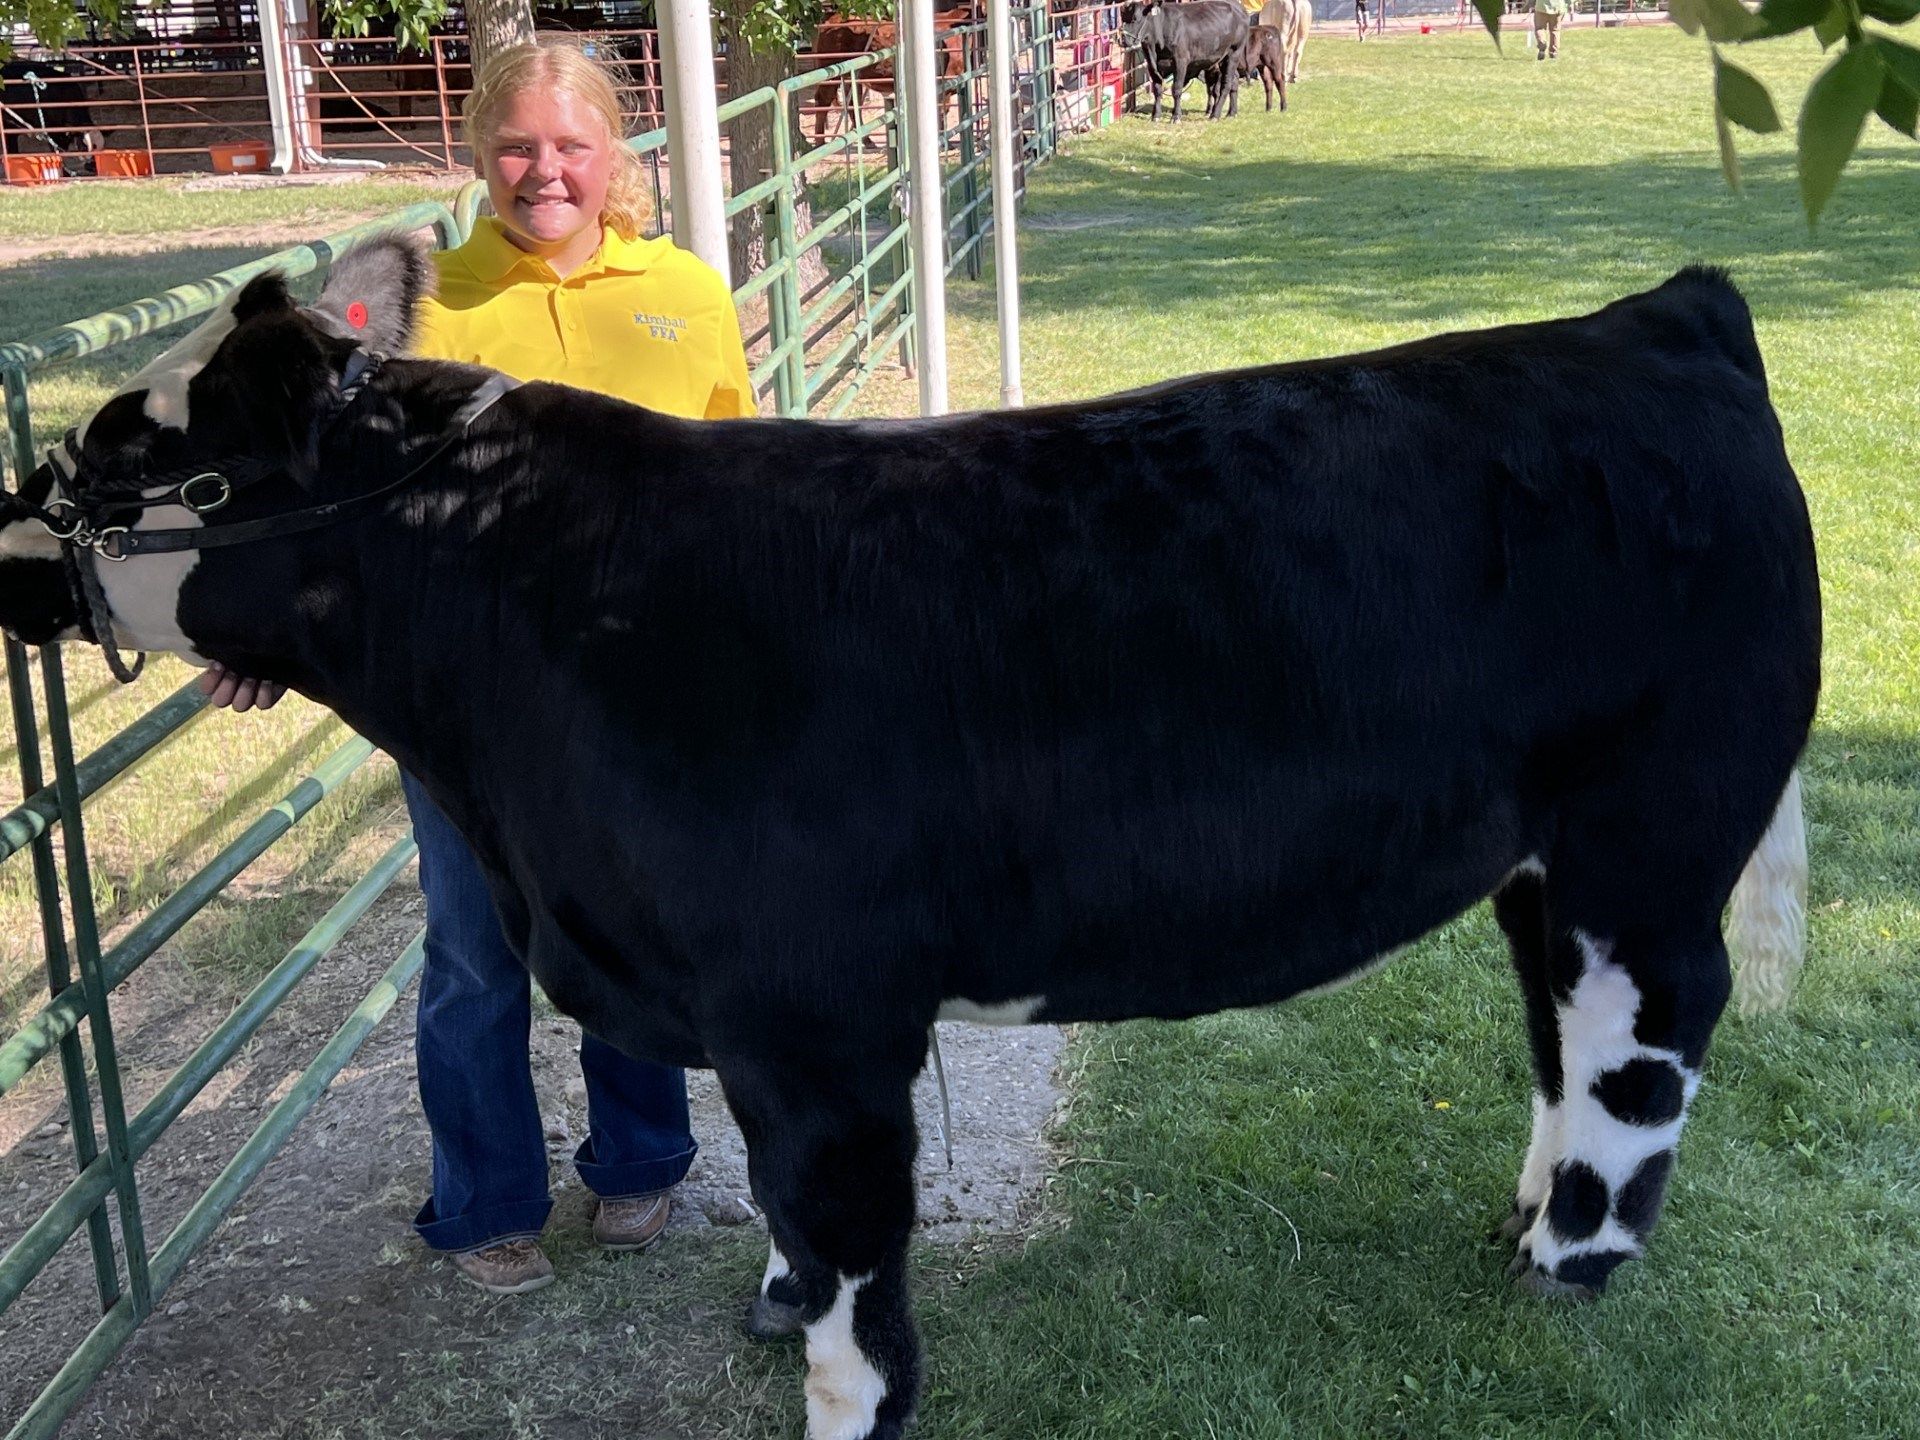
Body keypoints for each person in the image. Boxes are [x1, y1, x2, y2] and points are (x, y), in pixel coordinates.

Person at [200, 38, 756, 1297]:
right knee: (472, 949)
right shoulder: (419, 303)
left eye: (571, 145)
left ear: (614, 153)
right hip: (464, 704)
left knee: (633, 925)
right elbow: (322, 500)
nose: (544, 171)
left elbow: (731, 481)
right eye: (515, 147)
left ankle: (640, 1159)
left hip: (634, 687)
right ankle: (487, 1198)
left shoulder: (685, 290)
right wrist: (259, 640)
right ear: (476, 153)